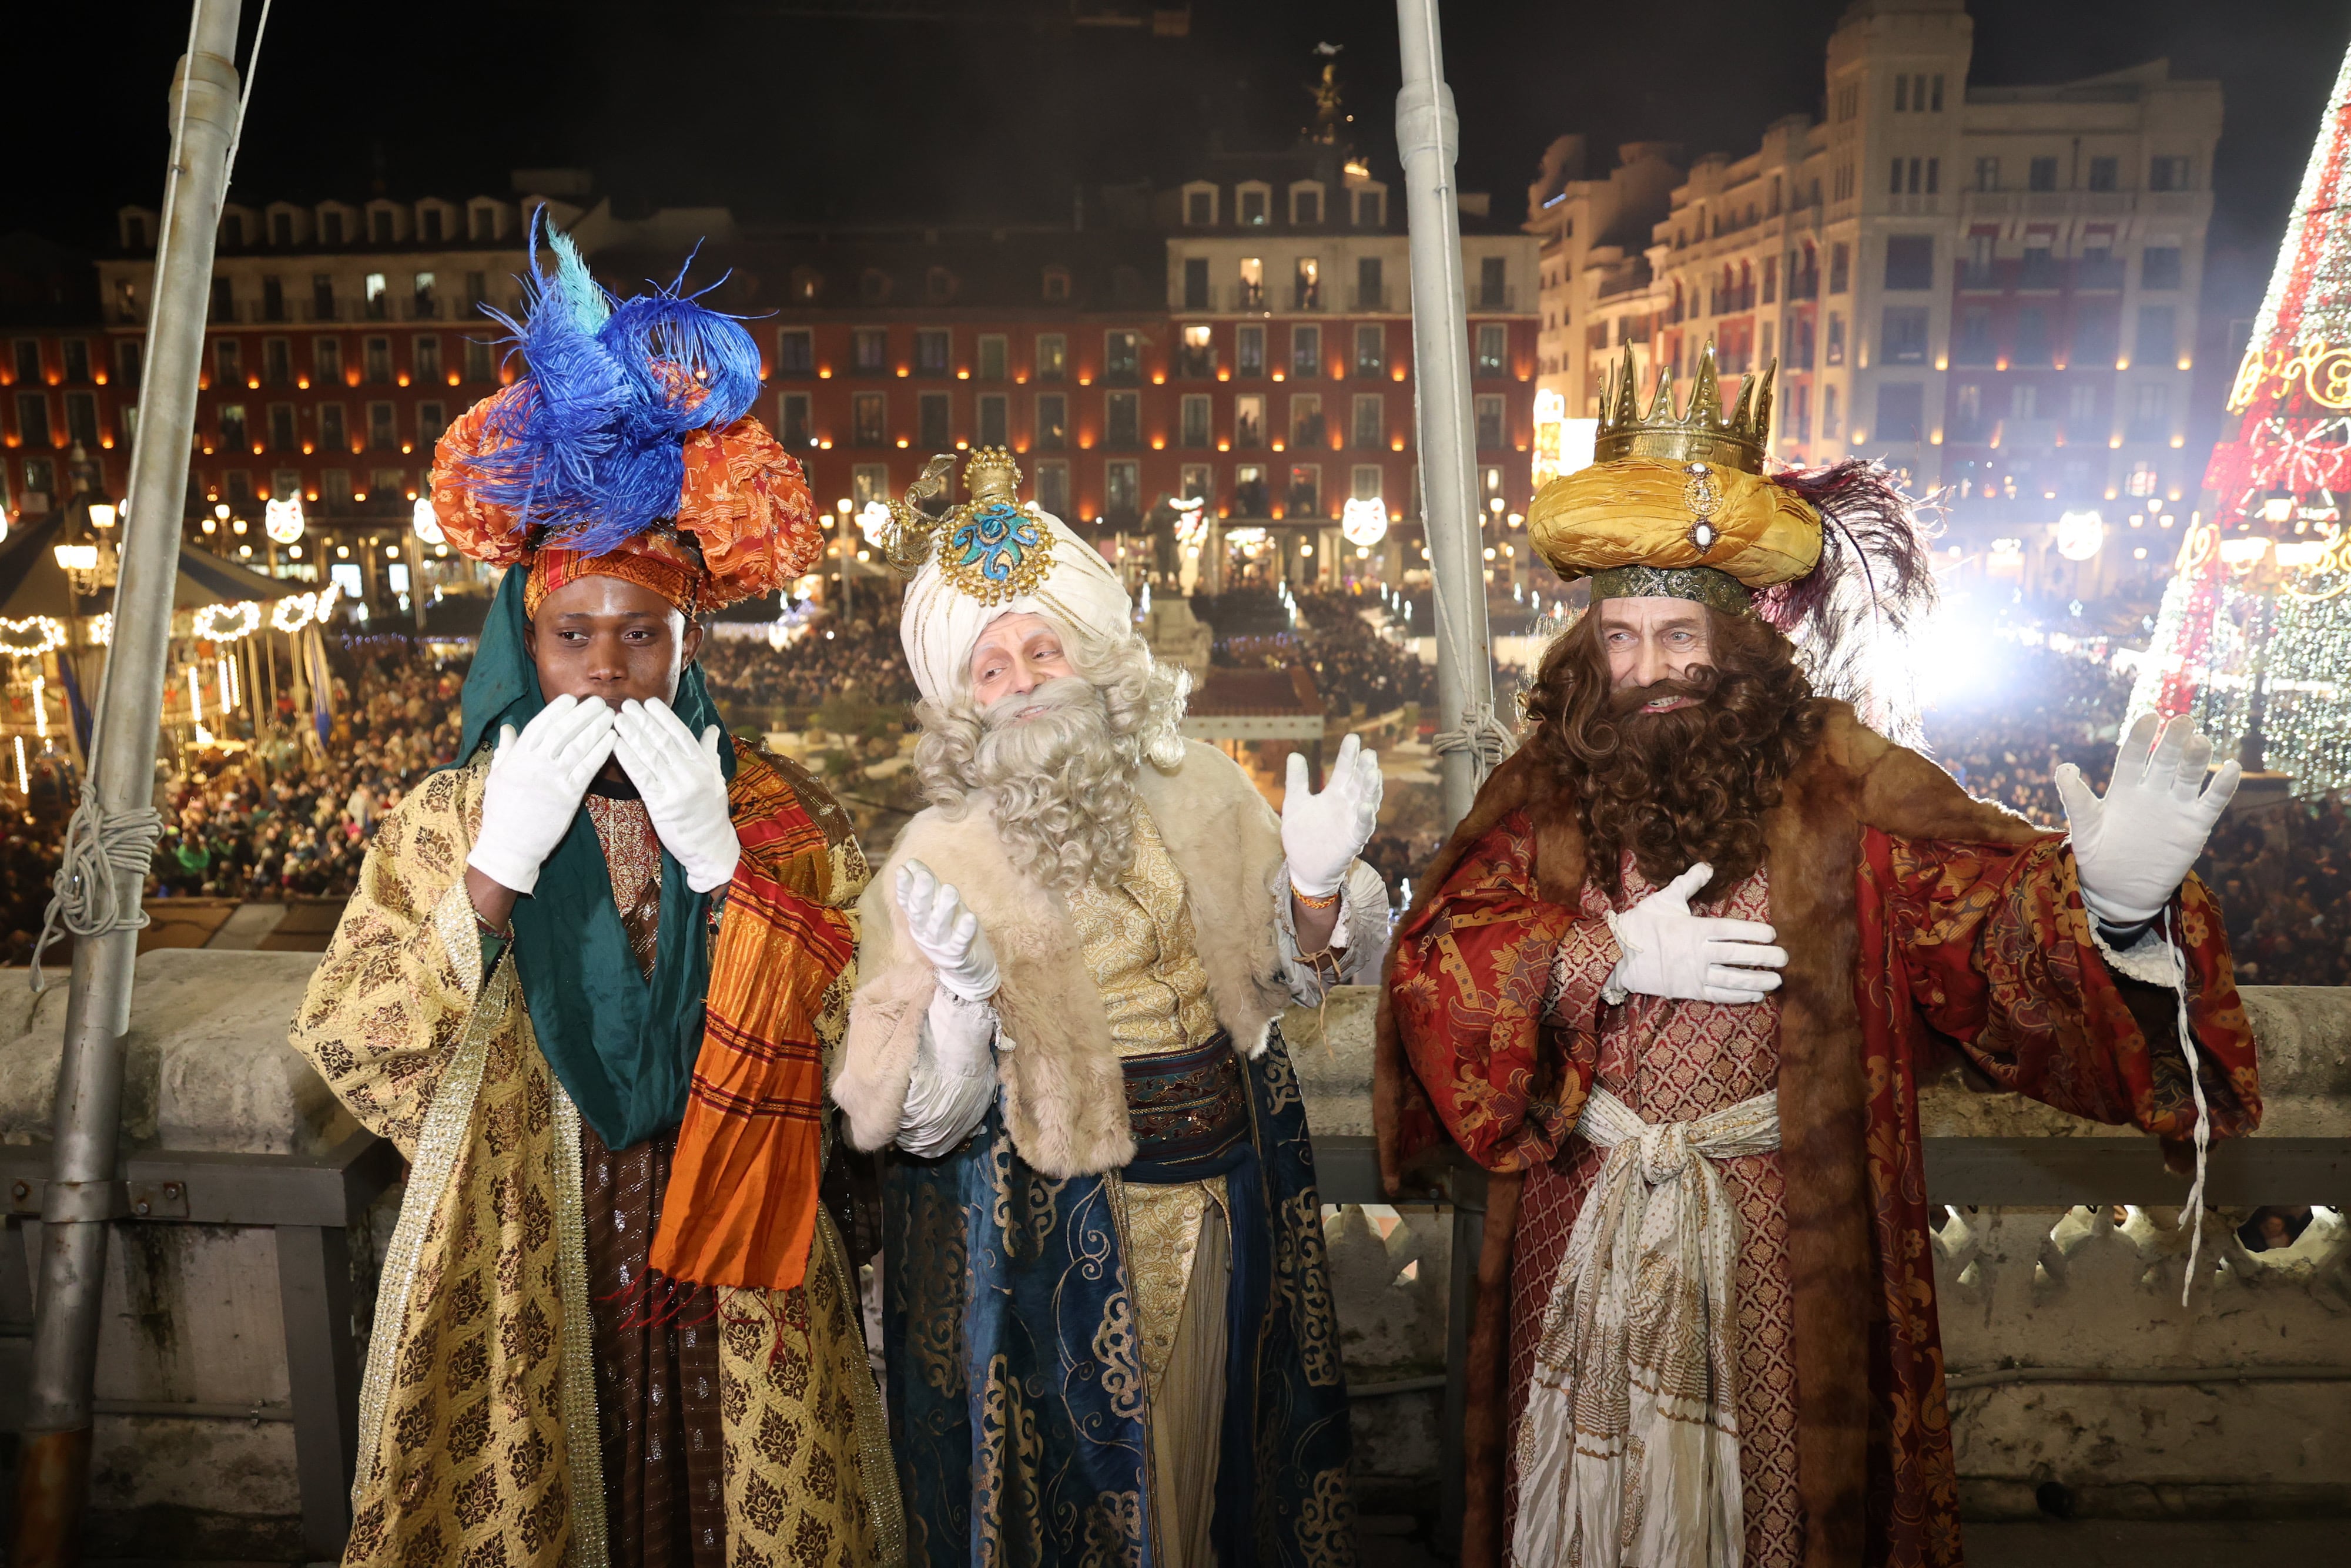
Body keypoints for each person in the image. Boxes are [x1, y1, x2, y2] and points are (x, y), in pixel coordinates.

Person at [1375, 347, 2262, 1568]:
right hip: (1571, 1223)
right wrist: (1596, 954)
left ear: (1740, 641)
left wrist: (2102, 907)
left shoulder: (1847, 782)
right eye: (1619, 636)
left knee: (1772, 1515)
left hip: (1779, 1234)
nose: (1645, 672)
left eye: (1676, 633)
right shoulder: (1541, 791)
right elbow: (1434, 964)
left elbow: (1983, 930)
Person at [292, 226, 900, 1568]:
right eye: (578, 636)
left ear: (690, 643)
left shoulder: (780, 808)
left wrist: (726, 871)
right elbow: (355, 1044)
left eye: (646, 635)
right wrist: (492, 875)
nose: (613, 670)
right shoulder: (449, 814)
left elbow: (868, 1041)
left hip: (736, 1239)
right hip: (522, 1238)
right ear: (528, 631)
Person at [831, 448, 1381, 1567]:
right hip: (1053, 1242)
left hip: (1233, 1196)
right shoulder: (931, 858)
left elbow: (1287, 975)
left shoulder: (1203, 787)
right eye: (991, 668)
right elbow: (906, 1116)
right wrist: (960, 1011)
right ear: (961, 700)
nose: (1025, 679)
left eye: (1045, 648)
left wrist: (1315, 891)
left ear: (1093, 657)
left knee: (1226, 1473)